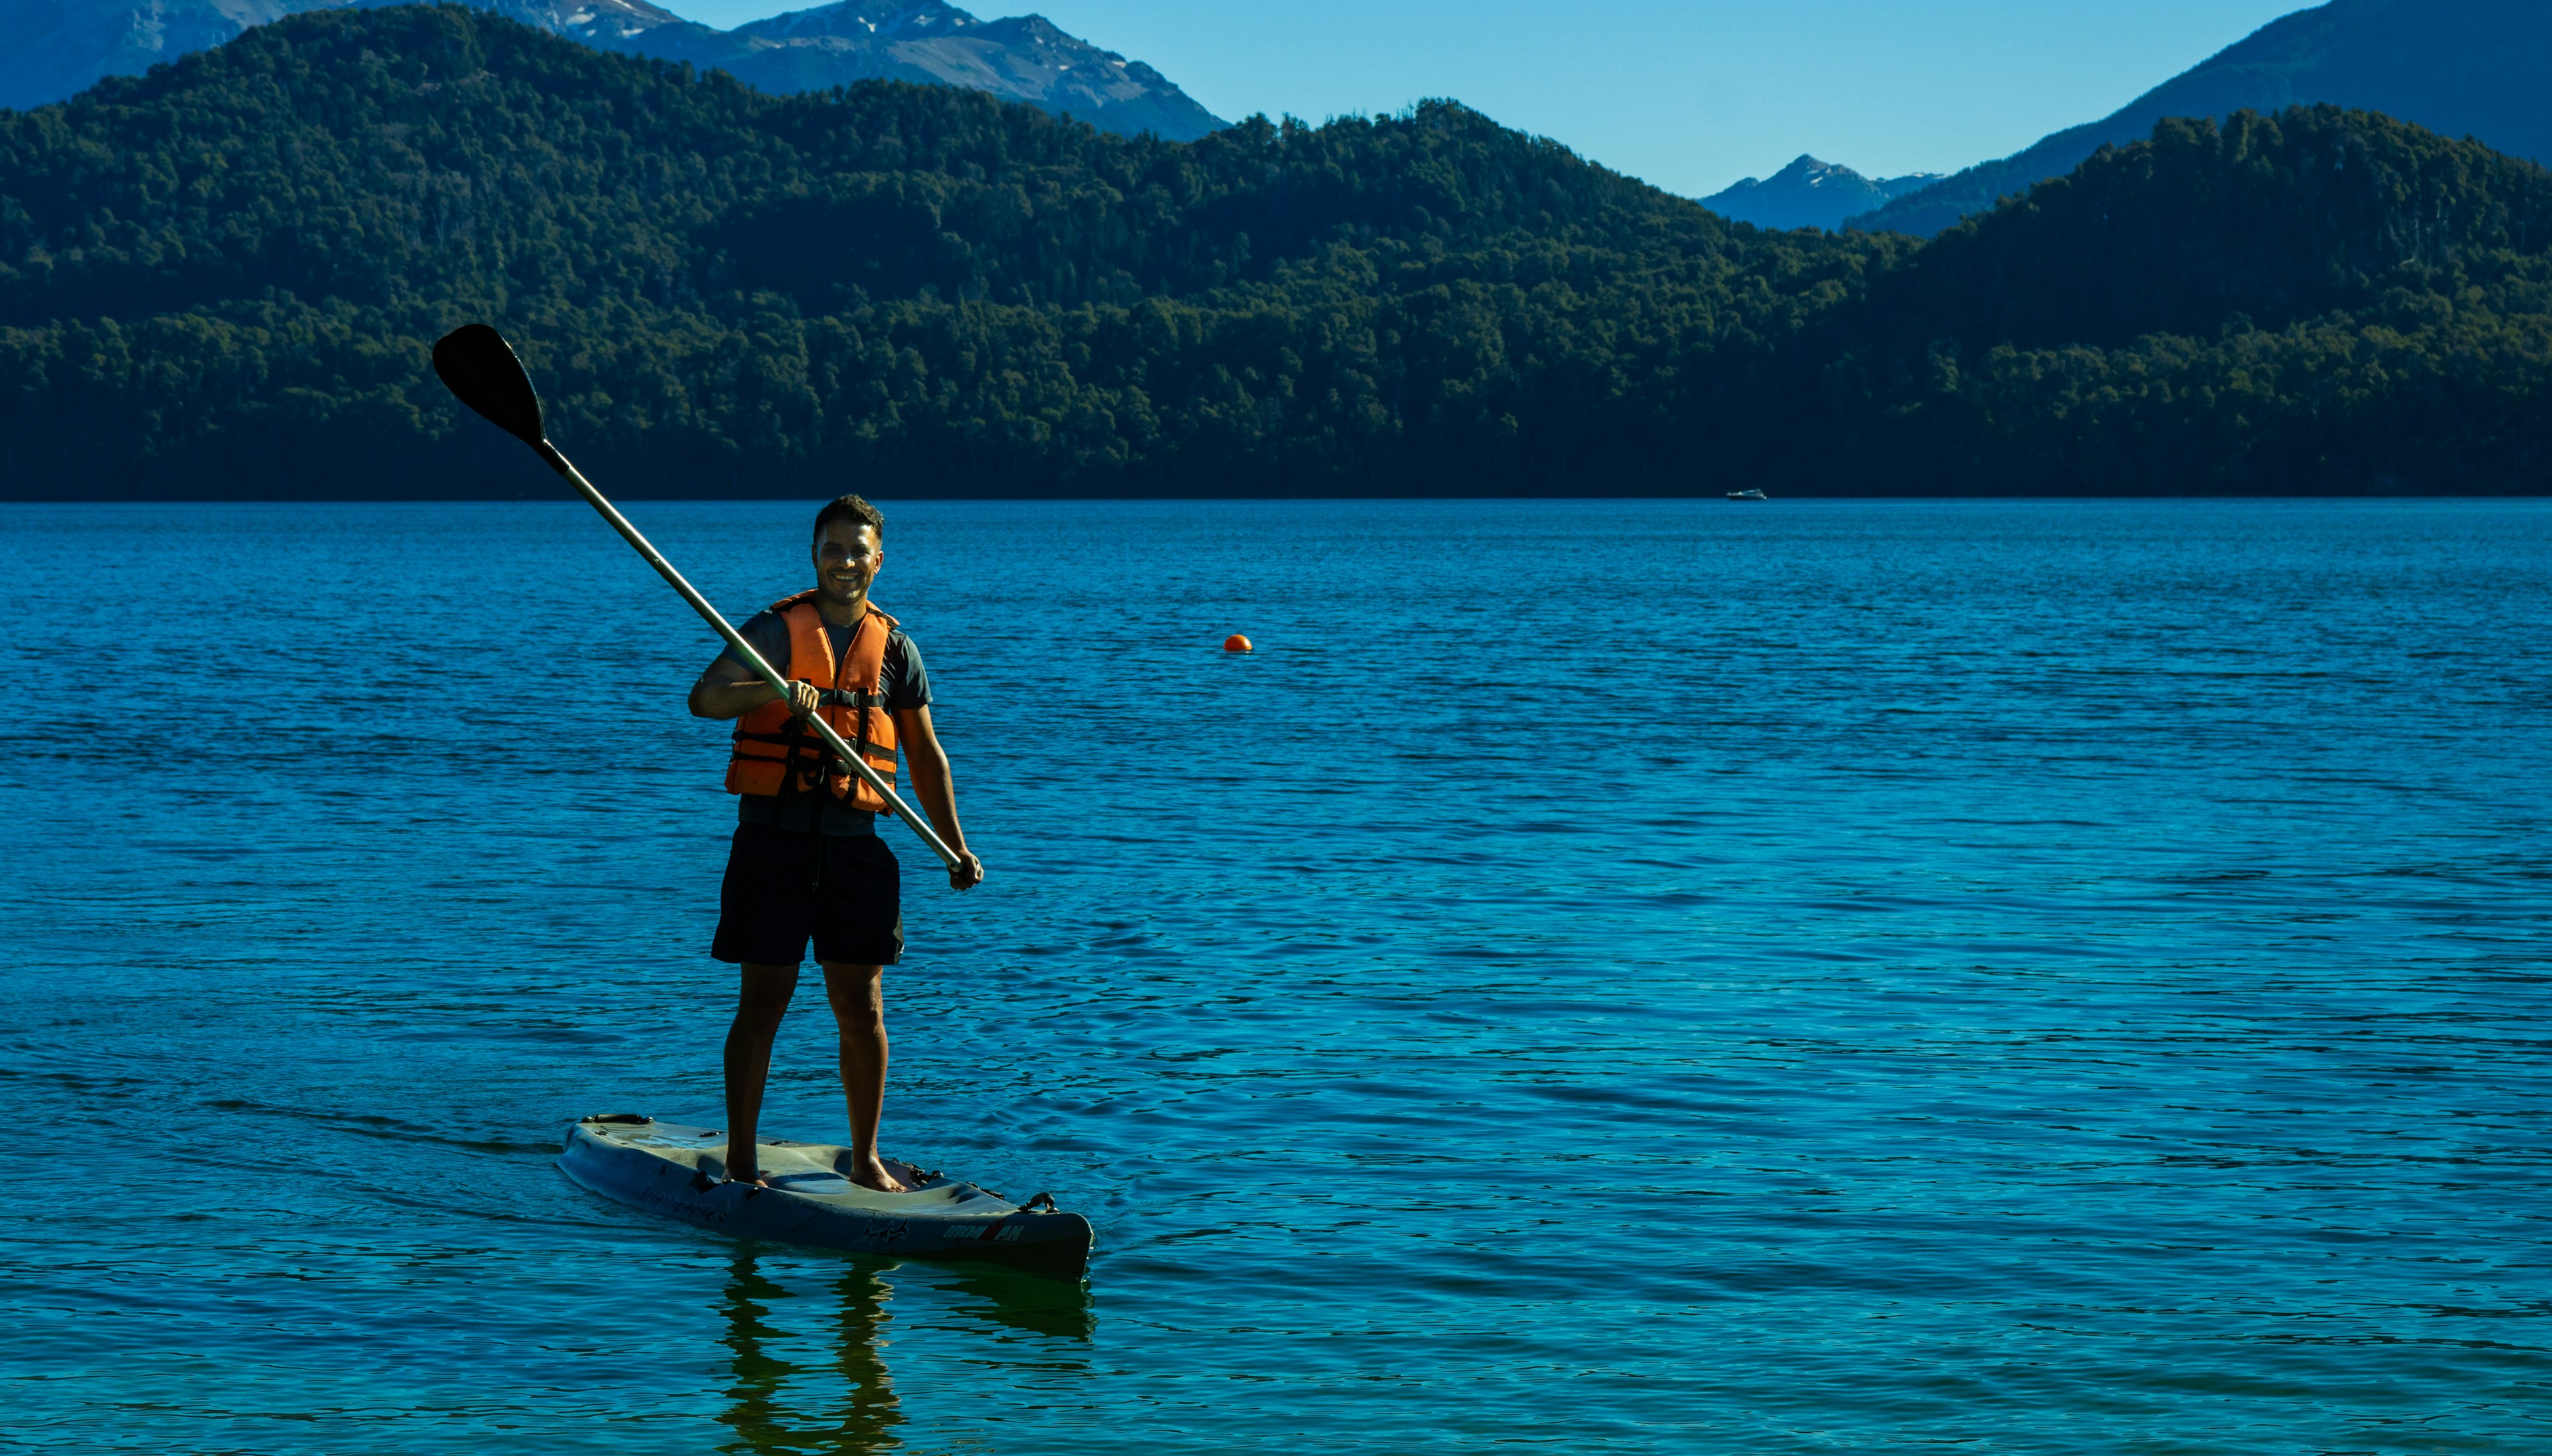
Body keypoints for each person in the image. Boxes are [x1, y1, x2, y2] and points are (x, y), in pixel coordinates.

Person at [687, 494, 985, 1192]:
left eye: (859, 550)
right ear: (814, 555)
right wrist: (773, 694)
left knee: (864, 1007)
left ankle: (868, 1159)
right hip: (773, 845)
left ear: (879, 560)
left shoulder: (897, 650)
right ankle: (741, 1162)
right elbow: (704, 699)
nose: (845, 561)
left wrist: (956, 847)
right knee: (764, 1002)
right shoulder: (774, 631)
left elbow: (927, 760)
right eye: (833, 548)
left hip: (856, 850)